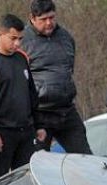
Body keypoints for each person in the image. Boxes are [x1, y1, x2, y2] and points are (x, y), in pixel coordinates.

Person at [0, 14, 44, 180]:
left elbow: (31, 93)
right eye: (13, 38)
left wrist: (39, 125)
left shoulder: (22, 57)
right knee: (0, 181)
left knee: (26, 179)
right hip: (2, 134)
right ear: (0, 34)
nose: (17, 43)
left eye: (20, 39)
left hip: (26, 131)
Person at [22, 0, 92, 155]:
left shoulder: (65, 37)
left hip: (66, 110)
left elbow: (69, 68)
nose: (49, 23)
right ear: (32, 18)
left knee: (85, 158)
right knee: (38, 161)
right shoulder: (22, 41)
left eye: (52, 17)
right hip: (39, 114)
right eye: (43, 19)